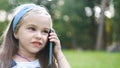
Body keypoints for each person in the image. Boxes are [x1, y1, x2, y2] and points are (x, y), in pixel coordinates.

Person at [0, 3, 71, 68]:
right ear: (16, 32)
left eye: (45, 31)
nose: (39, 36)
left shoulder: (46, 63)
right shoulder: (3, 63)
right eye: (32, 29)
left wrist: (58, 53)